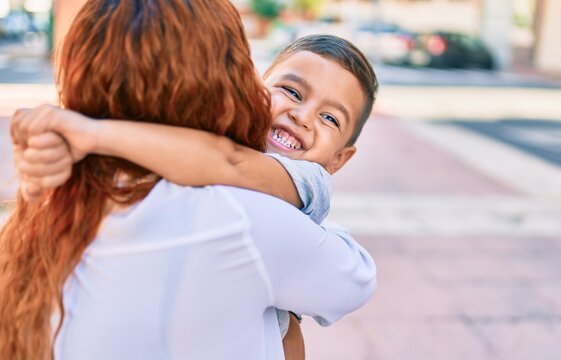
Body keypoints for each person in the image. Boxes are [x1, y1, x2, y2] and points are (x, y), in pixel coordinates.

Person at [1, 1, 377, 360]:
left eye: (330, 118)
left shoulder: (67, 195)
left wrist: (82, 133)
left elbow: (227, 162)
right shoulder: (243, 218)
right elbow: (350, 279)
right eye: (290, 92)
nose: (302, 117)